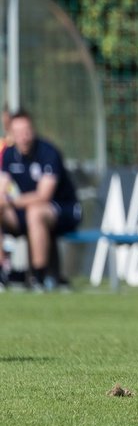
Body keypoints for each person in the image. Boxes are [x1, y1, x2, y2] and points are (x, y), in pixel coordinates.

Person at [0, 109, 83, 291]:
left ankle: (38, 278)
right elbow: (2, 186)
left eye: (27, 131)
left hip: (63, 209)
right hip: (25, 210)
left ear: (33, 129)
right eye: (19, 133)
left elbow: (43, 196)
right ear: (12, 134)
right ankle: (2, 274)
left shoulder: (48, 152)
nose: (24, 137)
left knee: (35, 212)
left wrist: (12, 202)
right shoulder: (8, 154)